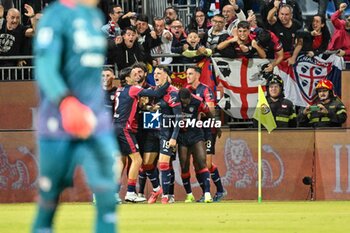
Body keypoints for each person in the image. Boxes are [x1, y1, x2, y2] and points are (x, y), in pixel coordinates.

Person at [32, 0, 120, 232]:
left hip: (96, 123)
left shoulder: (94, 18)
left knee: (108, 200)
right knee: (48, 202)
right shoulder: (55, 16)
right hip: (59, 123)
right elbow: (45, 68)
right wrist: (66, 103)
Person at [113, 67, 169, 203]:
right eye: (133, 74)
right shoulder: (132, 88)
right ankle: (131, 192)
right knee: (137, 160)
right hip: (125, 128)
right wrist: (167, 81)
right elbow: (157, 94)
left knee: (120, 161)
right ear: (127, 78)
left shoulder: (119, 90)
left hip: (116, 127)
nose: (137, 76)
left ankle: (113, 194)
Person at [186, 66, 226, 202]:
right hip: (193, 131)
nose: (188, 76)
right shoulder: (186, 90)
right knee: (197, 164)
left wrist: (199, 112)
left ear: (197, 75)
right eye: (187, 74)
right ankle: (205, 193)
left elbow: (211, 109)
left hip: (207, 130)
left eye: (190, 74)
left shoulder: (205, 89)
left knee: (206, 164)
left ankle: (220, 190)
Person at [177, 88, 213, 203]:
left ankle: (207, 194)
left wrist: (215, 127)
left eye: (186, 101)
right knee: (184, 166)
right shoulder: (176, 101)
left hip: (196, 135)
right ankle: (189, 194)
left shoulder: (198, 101)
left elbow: (209, 114)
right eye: (182, 101)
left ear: (190, 97)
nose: (184, 104)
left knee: (202, 162)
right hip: (182, 136)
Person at [152, 65, 182, 204]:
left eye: (159, 73)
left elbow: (178, 117)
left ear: (166, 75)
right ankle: (168, 194)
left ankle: (165, 195)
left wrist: (174, 137)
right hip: (156, 132)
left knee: (163, 163)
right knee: (158, 164)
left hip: (168, 133)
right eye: (154, 73)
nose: (155, 75)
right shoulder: (156, 91)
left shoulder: (173, 92)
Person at [0, 4, 37, 79]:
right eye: (12, 17)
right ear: (7, 17)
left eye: (17, 18)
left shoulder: (21, 29)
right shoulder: (1, 25)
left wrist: (32, 17)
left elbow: (35, 32)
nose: (15, 20)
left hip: (12, 65)